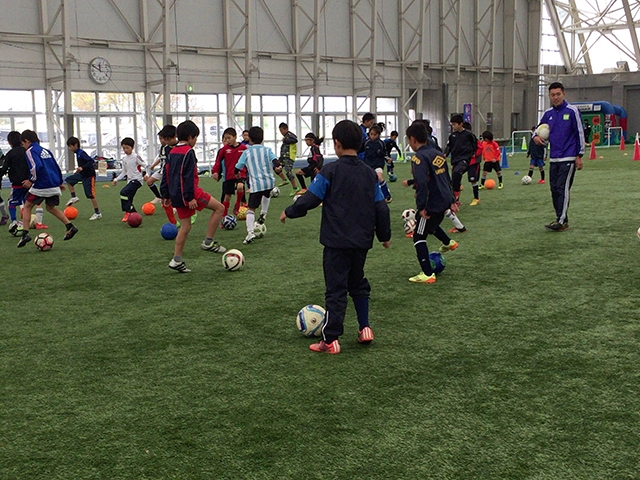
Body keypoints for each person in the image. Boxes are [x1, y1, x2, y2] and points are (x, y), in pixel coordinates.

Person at [280, 119, 391, 354]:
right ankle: (365, 328)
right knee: (358, 282)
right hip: (361, 241)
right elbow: (381, 207)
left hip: (336, 242)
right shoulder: (369, 174)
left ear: (337, 143)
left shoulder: (331, 170)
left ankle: (330, 340)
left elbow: (311, 199)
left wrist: (289, 211)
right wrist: (384, 235)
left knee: (336, 289)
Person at [160, 120, 226, 273]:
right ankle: (208, 242)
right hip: (190, 193)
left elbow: (166, 174)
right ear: (190, 137)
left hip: (176, 194)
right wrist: (190, 198)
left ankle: (176, 260)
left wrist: (166, 194)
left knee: (186, 226)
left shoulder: (171, 151)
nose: (195, 141)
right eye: (195, 138)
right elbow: (188, 177)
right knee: (219, 208)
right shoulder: (188, 152)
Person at [405, 122, 459, 284]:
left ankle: (427, 273)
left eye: (408, 140)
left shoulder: (418, 157)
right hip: (443, 200)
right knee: (431, 228)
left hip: (432, 203)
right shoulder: (437, 153)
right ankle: (448, 243)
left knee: (418, 235)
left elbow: (421, 183)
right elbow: (446, 179)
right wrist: (452, 200)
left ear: (413, 139)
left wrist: (421, 207)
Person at [534, 81, 585, 231]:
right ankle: (561, 218)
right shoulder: (548, 114)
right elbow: (538, 130)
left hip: (568, 157)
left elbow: (579, 133)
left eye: (558, 94)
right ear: (549, 96)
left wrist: (579, 155)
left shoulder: (572, 111)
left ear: (564, 94)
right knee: (554, 189)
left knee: (563, 188)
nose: (555, 97)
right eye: (552, 95)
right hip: (554, 158)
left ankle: (561, 221)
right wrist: (535, 138)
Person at [16, 130, 78, 248]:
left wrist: (31, 180)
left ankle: (25, 234)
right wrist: (59, 182)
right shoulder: (46, 151)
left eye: (22, 143)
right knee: (50, 207)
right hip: (53, 184)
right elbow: (55, 166)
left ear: (27, 141)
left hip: (41, 185)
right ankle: (70, 226)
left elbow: (36, 166)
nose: (23, 146)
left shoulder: (30, 151)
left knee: (27, 206)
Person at [235, 126, 278, 244]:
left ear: (250, 139)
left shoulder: (247, 152)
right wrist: (277, 165)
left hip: (256, 184)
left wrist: (236, 173)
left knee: (251, 209)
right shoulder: (267, 150)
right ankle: (263, 214)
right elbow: (275, 160)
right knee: (267, 194)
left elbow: (239, 166)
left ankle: (250, 233)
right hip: (269, 182)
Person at [211, 127, 248, 218]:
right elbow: (218, 161)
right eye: (225, 138)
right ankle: (224, 216)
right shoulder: (224, 150)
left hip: (240, 174)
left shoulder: (244, 148)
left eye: (229, 138)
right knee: (227, 196)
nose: (227, 140)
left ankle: (237, 204)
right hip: (229, 175)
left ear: (235, 137)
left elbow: (249, 160)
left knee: (240, 187)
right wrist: (215, 171)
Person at [64, 136, 102, 220]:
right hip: (82, 174)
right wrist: (79, 170)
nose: (69, 148)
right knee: (69, 180)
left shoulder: (81, 153)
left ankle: (97, 213)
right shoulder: (77, 153)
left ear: (75, 145)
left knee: (90, 195)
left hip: (89, 176)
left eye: (70, 146)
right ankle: (74, 197)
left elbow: (91, 161)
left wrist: (82, 168)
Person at [147, 125, 178, 224]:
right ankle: (160, 198)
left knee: (175, 192)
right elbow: (161, 158)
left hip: (175, 174)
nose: (162, 140)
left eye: (164, 139)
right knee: (150, 182)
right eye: (161, 138)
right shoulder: (164, 148)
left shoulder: (179, 147)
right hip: (163, 171)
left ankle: (176, 207)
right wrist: (152, 166)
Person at [444, 114, 477, 205]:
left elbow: (475, 143)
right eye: (452, 125)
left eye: (455, 124)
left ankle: (457, 193)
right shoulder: (452, 136)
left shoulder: (468, 134)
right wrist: (445, 154)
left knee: (456, 173)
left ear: (461, 124)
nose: (453, 126)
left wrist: (473, 153)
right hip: (455, 159)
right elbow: (449, 146)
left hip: (465, 159)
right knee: (454, 179)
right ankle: (456, 199)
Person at [112, 137, 147, 222]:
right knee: (129, 198)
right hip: (130, 181)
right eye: (124, 148)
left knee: (123, 192)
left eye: (127, 148)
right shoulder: (124, 159)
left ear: (132, 147)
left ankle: (128, 211)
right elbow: (124, 172)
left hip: (137, 180)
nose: (125, 150)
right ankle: (132, 213)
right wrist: (116, 179)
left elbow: (146, 165)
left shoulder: (136, 157)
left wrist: (147, 174)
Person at [0, 131, 29, 233]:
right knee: (27, 203)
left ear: (9, 142)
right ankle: (26, 222)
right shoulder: (26, 151)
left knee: (11, 202)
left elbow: (4, 169)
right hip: (28, 183)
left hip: (16, 184)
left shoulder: (10, 154)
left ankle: (14, 221)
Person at [359, 124, 392, 202]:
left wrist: (387, 158)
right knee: (365, 181)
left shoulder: (381, 143)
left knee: (379, 178)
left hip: (378, 164)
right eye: (371, 134)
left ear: (378, 134)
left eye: (375, 134)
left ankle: (387, 196)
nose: (373, 136)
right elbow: (359, 150)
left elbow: (385, 154)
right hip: (367, 165)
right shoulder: (366, 143)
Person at [274, 122, 299, 195]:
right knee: (275, 167)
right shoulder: (285, 136)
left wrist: (285, 140)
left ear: (286, 129)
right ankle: (285, 180)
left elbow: (295, 140)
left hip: (289, 157)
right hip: (283, 157)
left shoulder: (290, 135)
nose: (281, 132)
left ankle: (295, 188)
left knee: (288, 171)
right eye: (280, 131)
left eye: (282, 130)